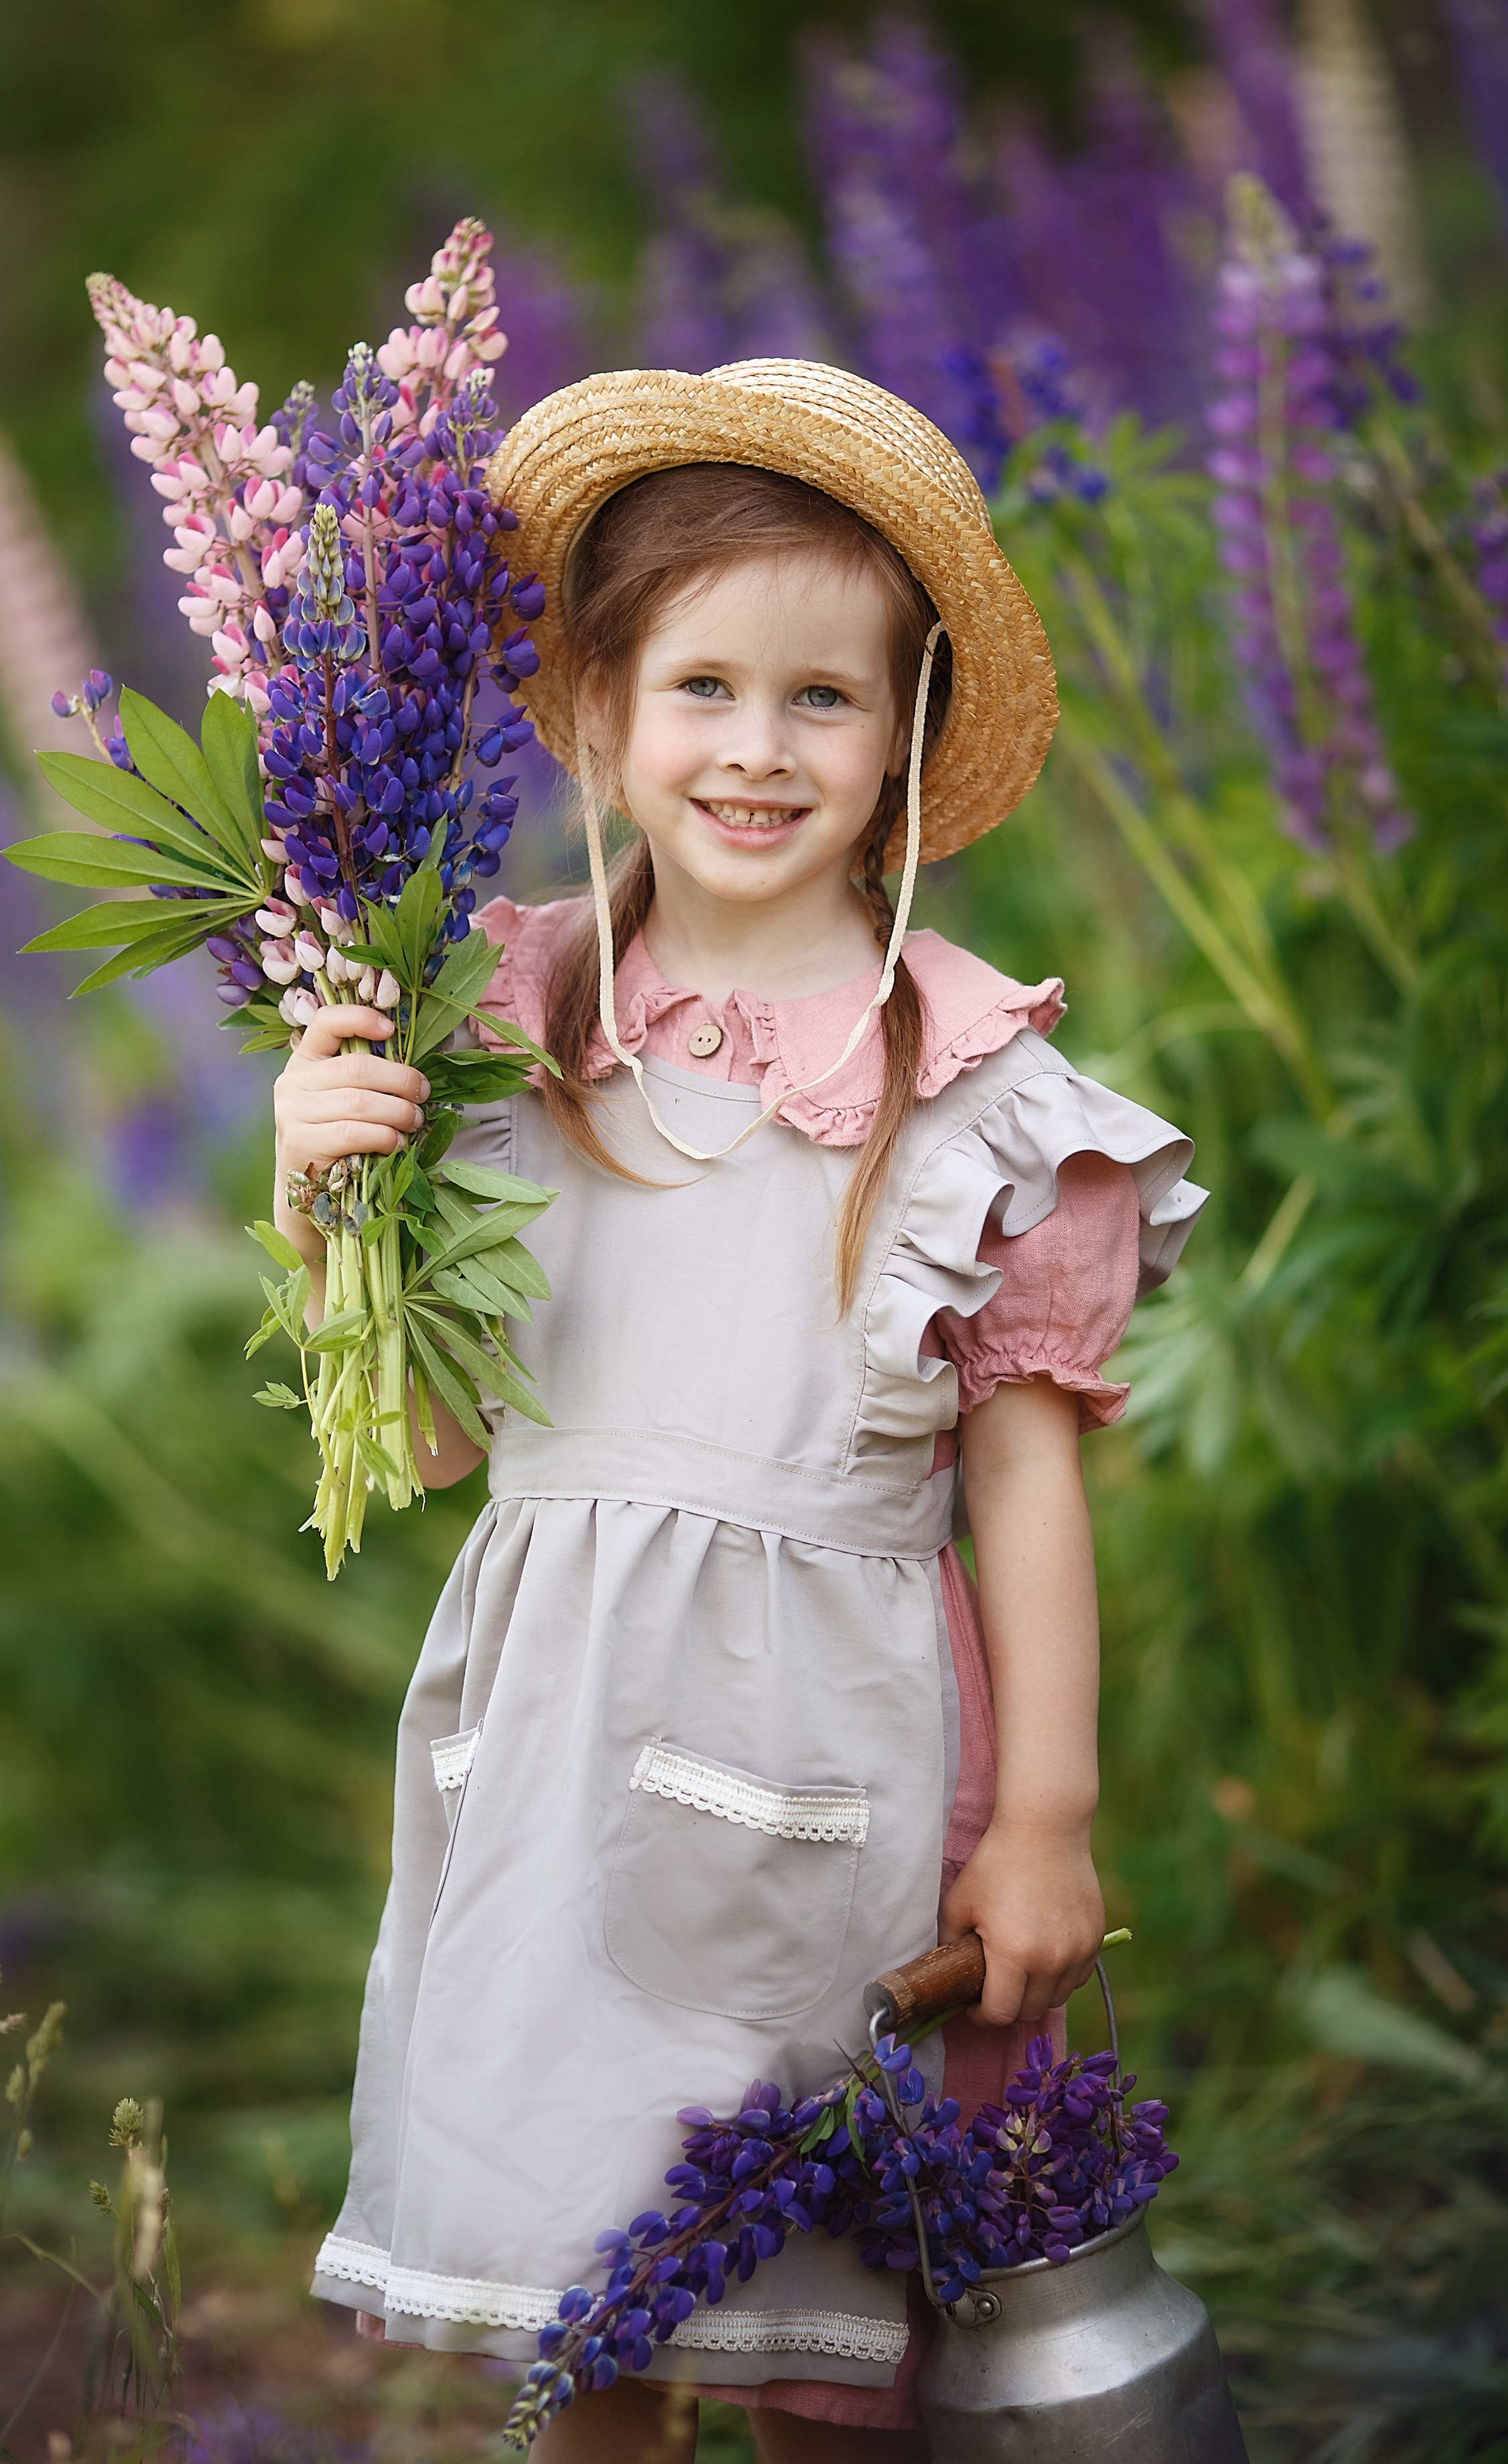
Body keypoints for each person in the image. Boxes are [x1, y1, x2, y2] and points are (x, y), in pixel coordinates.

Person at [277, 363, 1206, 2461]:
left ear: (904, 745)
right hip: (560, 1747)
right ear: (597, 712)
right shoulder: (500, 1029)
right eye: (703, 686)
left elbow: (1024, 1480)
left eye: (824, 699)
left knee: (832, 2347)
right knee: (594, 2312)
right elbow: (429, 1444)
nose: (760, 749)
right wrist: (325, 1186)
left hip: (852, 1759)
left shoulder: (970, 1084)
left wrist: (1049, 1821)